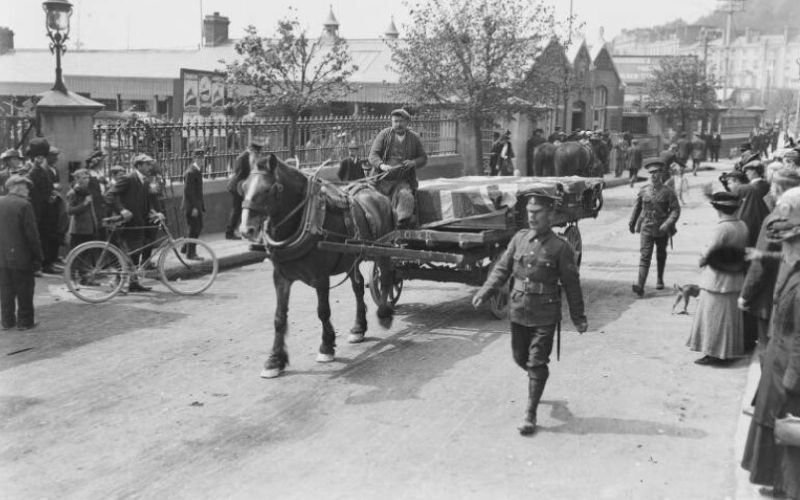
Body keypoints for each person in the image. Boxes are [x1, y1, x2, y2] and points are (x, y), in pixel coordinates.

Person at [472, 193, 588, 436]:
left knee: (536, 361)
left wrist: (578, 318)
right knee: (519, 357)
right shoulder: (519, 239)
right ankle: (537, 378)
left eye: (538, 213)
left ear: (551, 215)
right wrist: (485, 291)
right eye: (530, 212)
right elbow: (502, 269)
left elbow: (571, 284)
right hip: (519, 310)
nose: (532, 217)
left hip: (546, 313)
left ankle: (530, 412)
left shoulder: (561, 247)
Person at [741, 186, 800, 499]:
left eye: (790, 241)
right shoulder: (795, 265)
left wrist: (791, 379)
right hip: (780, 359)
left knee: (788, 430)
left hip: (789, 370)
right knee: (776, 427)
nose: (785, 248)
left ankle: (790, 488)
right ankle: (779, 482)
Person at [686, 191, 749, 365]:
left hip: (717, 278)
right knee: (729, 318)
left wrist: (702, 255)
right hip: (734, 277)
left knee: (713, 316)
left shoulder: (722, 228)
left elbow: (710, 252)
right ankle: (727, 351)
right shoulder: (741, 225)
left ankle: (714, 353)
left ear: (718, 209)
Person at [103, 154, 165, 293]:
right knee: (126, 255)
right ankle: (115, 282)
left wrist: (154, 212)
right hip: (128, 224)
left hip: (139, 223)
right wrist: (122, 210)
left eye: (150, 164)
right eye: (147, 164)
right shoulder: (128, 179)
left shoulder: (144, 181)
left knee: (135, 254)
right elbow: (109, 195)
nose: (150, 167)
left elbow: (145, 202)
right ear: (138, 166)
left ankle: (133, 283)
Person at [368, 108, 428, 228]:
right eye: (395, 121)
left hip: (401, 182)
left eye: (401, 121)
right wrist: (382, 165)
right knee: (370, 206)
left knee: (406, 198)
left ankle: (400, 227)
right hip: (380, 182)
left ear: (407, 122)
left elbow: (423, 158)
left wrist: (413, 162)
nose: (398, 124)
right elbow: (372, 155)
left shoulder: (414, 138)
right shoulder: (384, 135)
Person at [629, 159, 681, 295]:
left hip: (661, 228)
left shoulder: (668, 192)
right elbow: (638, 207)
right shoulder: (644, 190)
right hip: (646, 227)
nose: (653, 175)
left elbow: (676, 210)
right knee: (645, 256)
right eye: (651, 172)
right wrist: (632, 222)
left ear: (661, 174)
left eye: (656, 172)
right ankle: (640, 286)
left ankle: (659, 278)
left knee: (661, 254)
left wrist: (667, 223)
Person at [0, 175, 43, 330]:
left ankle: (7, 321)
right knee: (24, 289)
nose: (28, 190)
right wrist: (38, 257)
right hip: (21, 256)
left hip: (1, 256)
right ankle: (25, 322)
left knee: (5, 289)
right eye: (26, 187)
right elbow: (32, 235)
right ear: (18, 188)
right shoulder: (24, 205)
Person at [25, 138, 60, 275]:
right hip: (36, 208)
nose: (41, 159)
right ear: (34, 157)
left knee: (46, 237)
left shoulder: (42, 169)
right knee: (36, 237)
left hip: (45, 209)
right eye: (38, 156)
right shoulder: (31, 170)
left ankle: (46, 263)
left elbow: (47, 187)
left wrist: (52, 195)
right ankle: (35, 265)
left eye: (42, 156)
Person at [226, 139, 263, 240]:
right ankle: (229, 232)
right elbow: (239, 175)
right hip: (237, 187)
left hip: (243, 187)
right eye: (257, 153)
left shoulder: (250, 157)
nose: (258, 155)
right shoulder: (243, 158)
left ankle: (242, 230)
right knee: (236, 209)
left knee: (243, 210)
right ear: (252, 150)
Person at [65, 169, 98, 249]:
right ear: (77, 179)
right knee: (78, 255)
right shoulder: (73, 193)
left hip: (89, 229)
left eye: (88, 178)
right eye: (84, 178)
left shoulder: (87, 191)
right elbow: (69, 211)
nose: (87, 180)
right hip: (79, 230)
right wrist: (84, 204)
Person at [181, 149, 205, 260]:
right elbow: (188, 191)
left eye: (202, 158)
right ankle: (191, 253)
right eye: (199, 158)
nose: (201, 160)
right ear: (194, 158)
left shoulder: (197, 170)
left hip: (196, 205)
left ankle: (185, 247)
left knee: (195, 228)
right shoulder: (191, 172)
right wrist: (195, 207)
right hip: (191, 206)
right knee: (195, 229)